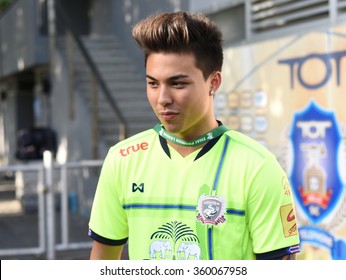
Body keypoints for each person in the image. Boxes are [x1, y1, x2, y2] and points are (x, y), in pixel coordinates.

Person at [88, 11, 300, 260]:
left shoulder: (258, 166)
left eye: (178, 84)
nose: (163, 99)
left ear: (214, 82)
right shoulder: (121, 159)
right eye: (153, 83)